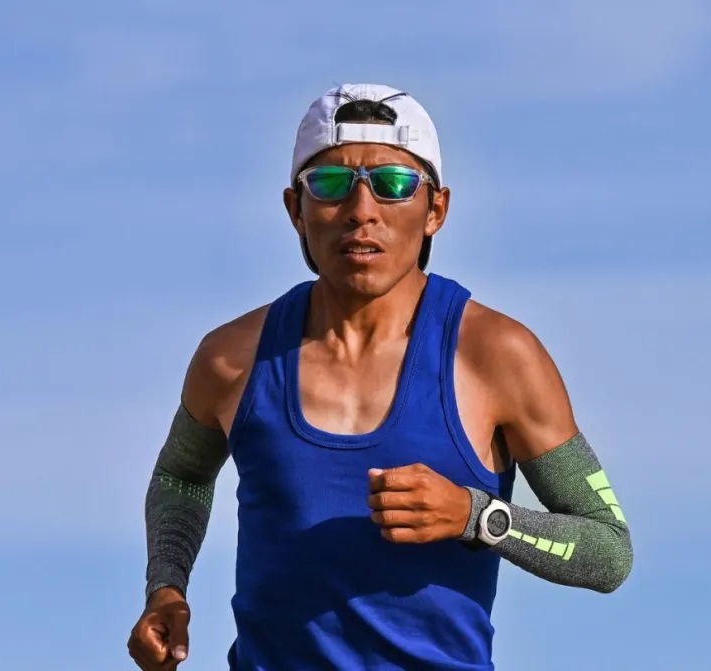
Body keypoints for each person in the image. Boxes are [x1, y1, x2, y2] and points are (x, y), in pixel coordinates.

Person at [127, 83, 634, 671]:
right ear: (296, 209)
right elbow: (181, 476)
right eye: (332, 184)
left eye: (393, 185)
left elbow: (608, 550)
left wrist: (475, 516)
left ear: (435, 210)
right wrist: (166, 585)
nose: (361, 211)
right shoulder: (230, 359)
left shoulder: (498, 355)